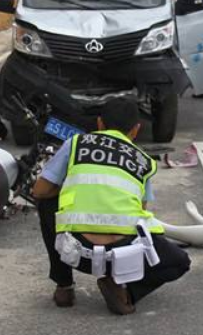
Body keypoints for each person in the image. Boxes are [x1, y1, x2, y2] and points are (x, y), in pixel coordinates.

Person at [32, 97, 190, 315]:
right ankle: (125, 290)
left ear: (99, 123)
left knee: (47, 202)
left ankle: (64, 286)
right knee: (180, 261)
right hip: (124, 259)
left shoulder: (77, 143)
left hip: (77, 253)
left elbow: (39, 190)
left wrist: (70, 186)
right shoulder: (143, 161)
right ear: (135, 130)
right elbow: (140, 211)